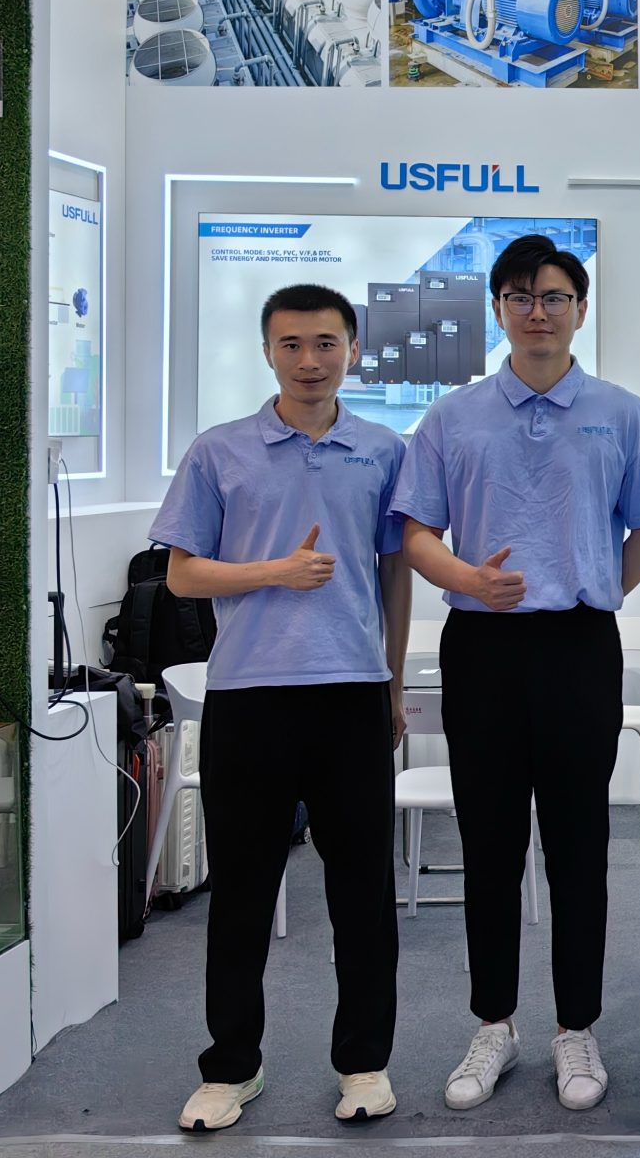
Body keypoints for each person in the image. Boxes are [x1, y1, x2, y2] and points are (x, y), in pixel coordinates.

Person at [391, 235, 640, 1116]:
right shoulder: (453, 417)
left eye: (554, 297)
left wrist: (593, 585)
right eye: (520, 297)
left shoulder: (621, 412)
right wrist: (468, 580)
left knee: (581, 845)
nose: (537, 312)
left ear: (580, 309)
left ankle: (575, 1026)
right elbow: (416, 533)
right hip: (482, 647)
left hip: (580, 647)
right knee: (489, 844)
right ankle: (495, 1023)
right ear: (499, 311)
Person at [151, 283, 410, 1133]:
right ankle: (231, 1068)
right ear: (267, 351)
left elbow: (393, 573)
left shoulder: (383, 450)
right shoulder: (219, 451)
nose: (309, 360)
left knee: (362, 893)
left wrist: (392, 684)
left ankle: (364, 1063)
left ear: (353, 350)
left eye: (326, 343)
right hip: (249, 695)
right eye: (291, 344)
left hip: (351, 694)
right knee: (243, 892)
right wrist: (274, 572)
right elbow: (182, 575)